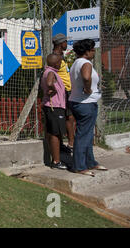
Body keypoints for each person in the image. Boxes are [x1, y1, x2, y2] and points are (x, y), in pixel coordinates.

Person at [69, 39, 108, 176]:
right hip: (85, 103)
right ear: (86, 52)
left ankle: (90, 162)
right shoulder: (86, 63)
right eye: (92, 50)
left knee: (87, 133)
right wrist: (88, 89)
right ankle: (79, 166)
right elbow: (86, 77)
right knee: (83, 135)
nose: (94, 52)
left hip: (77, 101)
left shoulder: (76, 63)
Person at [41, 53, 68, 170]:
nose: (60, 64)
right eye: (59, 62)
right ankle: (56, 161)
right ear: (56, 63)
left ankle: (56, 159)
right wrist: (53, 89)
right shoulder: (51, 73)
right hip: (55, 107)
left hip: (51, 106)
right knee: (55, 133)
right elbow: (50, 83)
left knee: (52, 132)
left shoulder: (46, 72)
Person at [52, 33, 75, 154]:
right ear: (61, 43)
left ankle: (70, 142)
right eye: (66, 42)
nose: (67, 44)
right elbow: (51, 74)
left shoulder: (62, 56)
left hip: (68, 90)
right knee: (68, 117)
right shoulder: (55, 58)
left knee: (70, 117)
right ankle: (70, 143)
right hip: (63, 91)